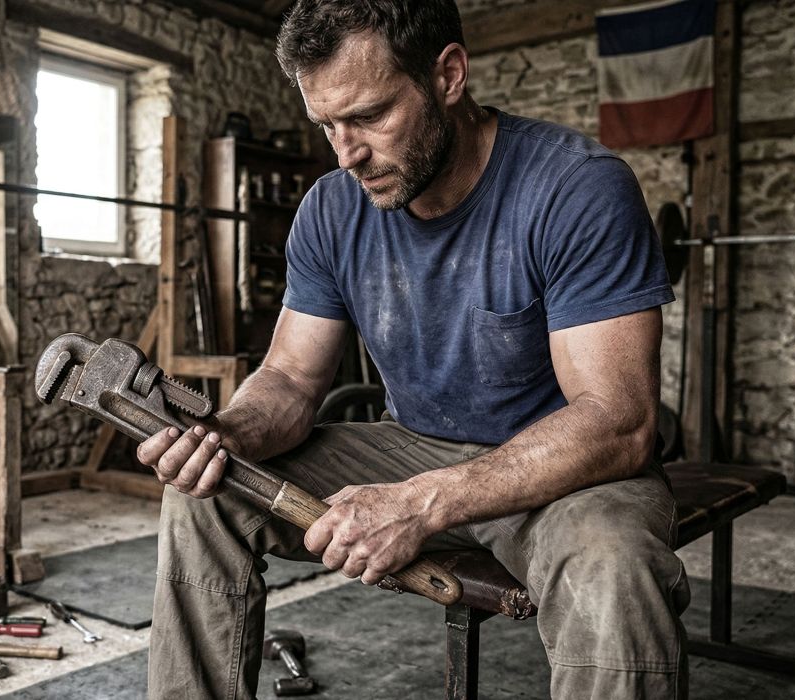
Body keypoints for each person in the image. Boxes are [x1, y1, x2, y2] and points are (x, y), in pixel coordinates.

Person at [139, 1, 690, 697]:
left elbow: (620, 421)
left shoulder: (576, 188)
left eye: (369, 117)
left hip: (563, 471)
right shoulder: (331, 209)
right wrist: (223, 433)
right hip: (415, 446)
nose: (347, 154)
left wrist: (422, 505)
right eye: (327, 126)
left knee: (616, 564)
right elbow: (288, 378)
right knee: (209, 491)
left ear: (449, 75)